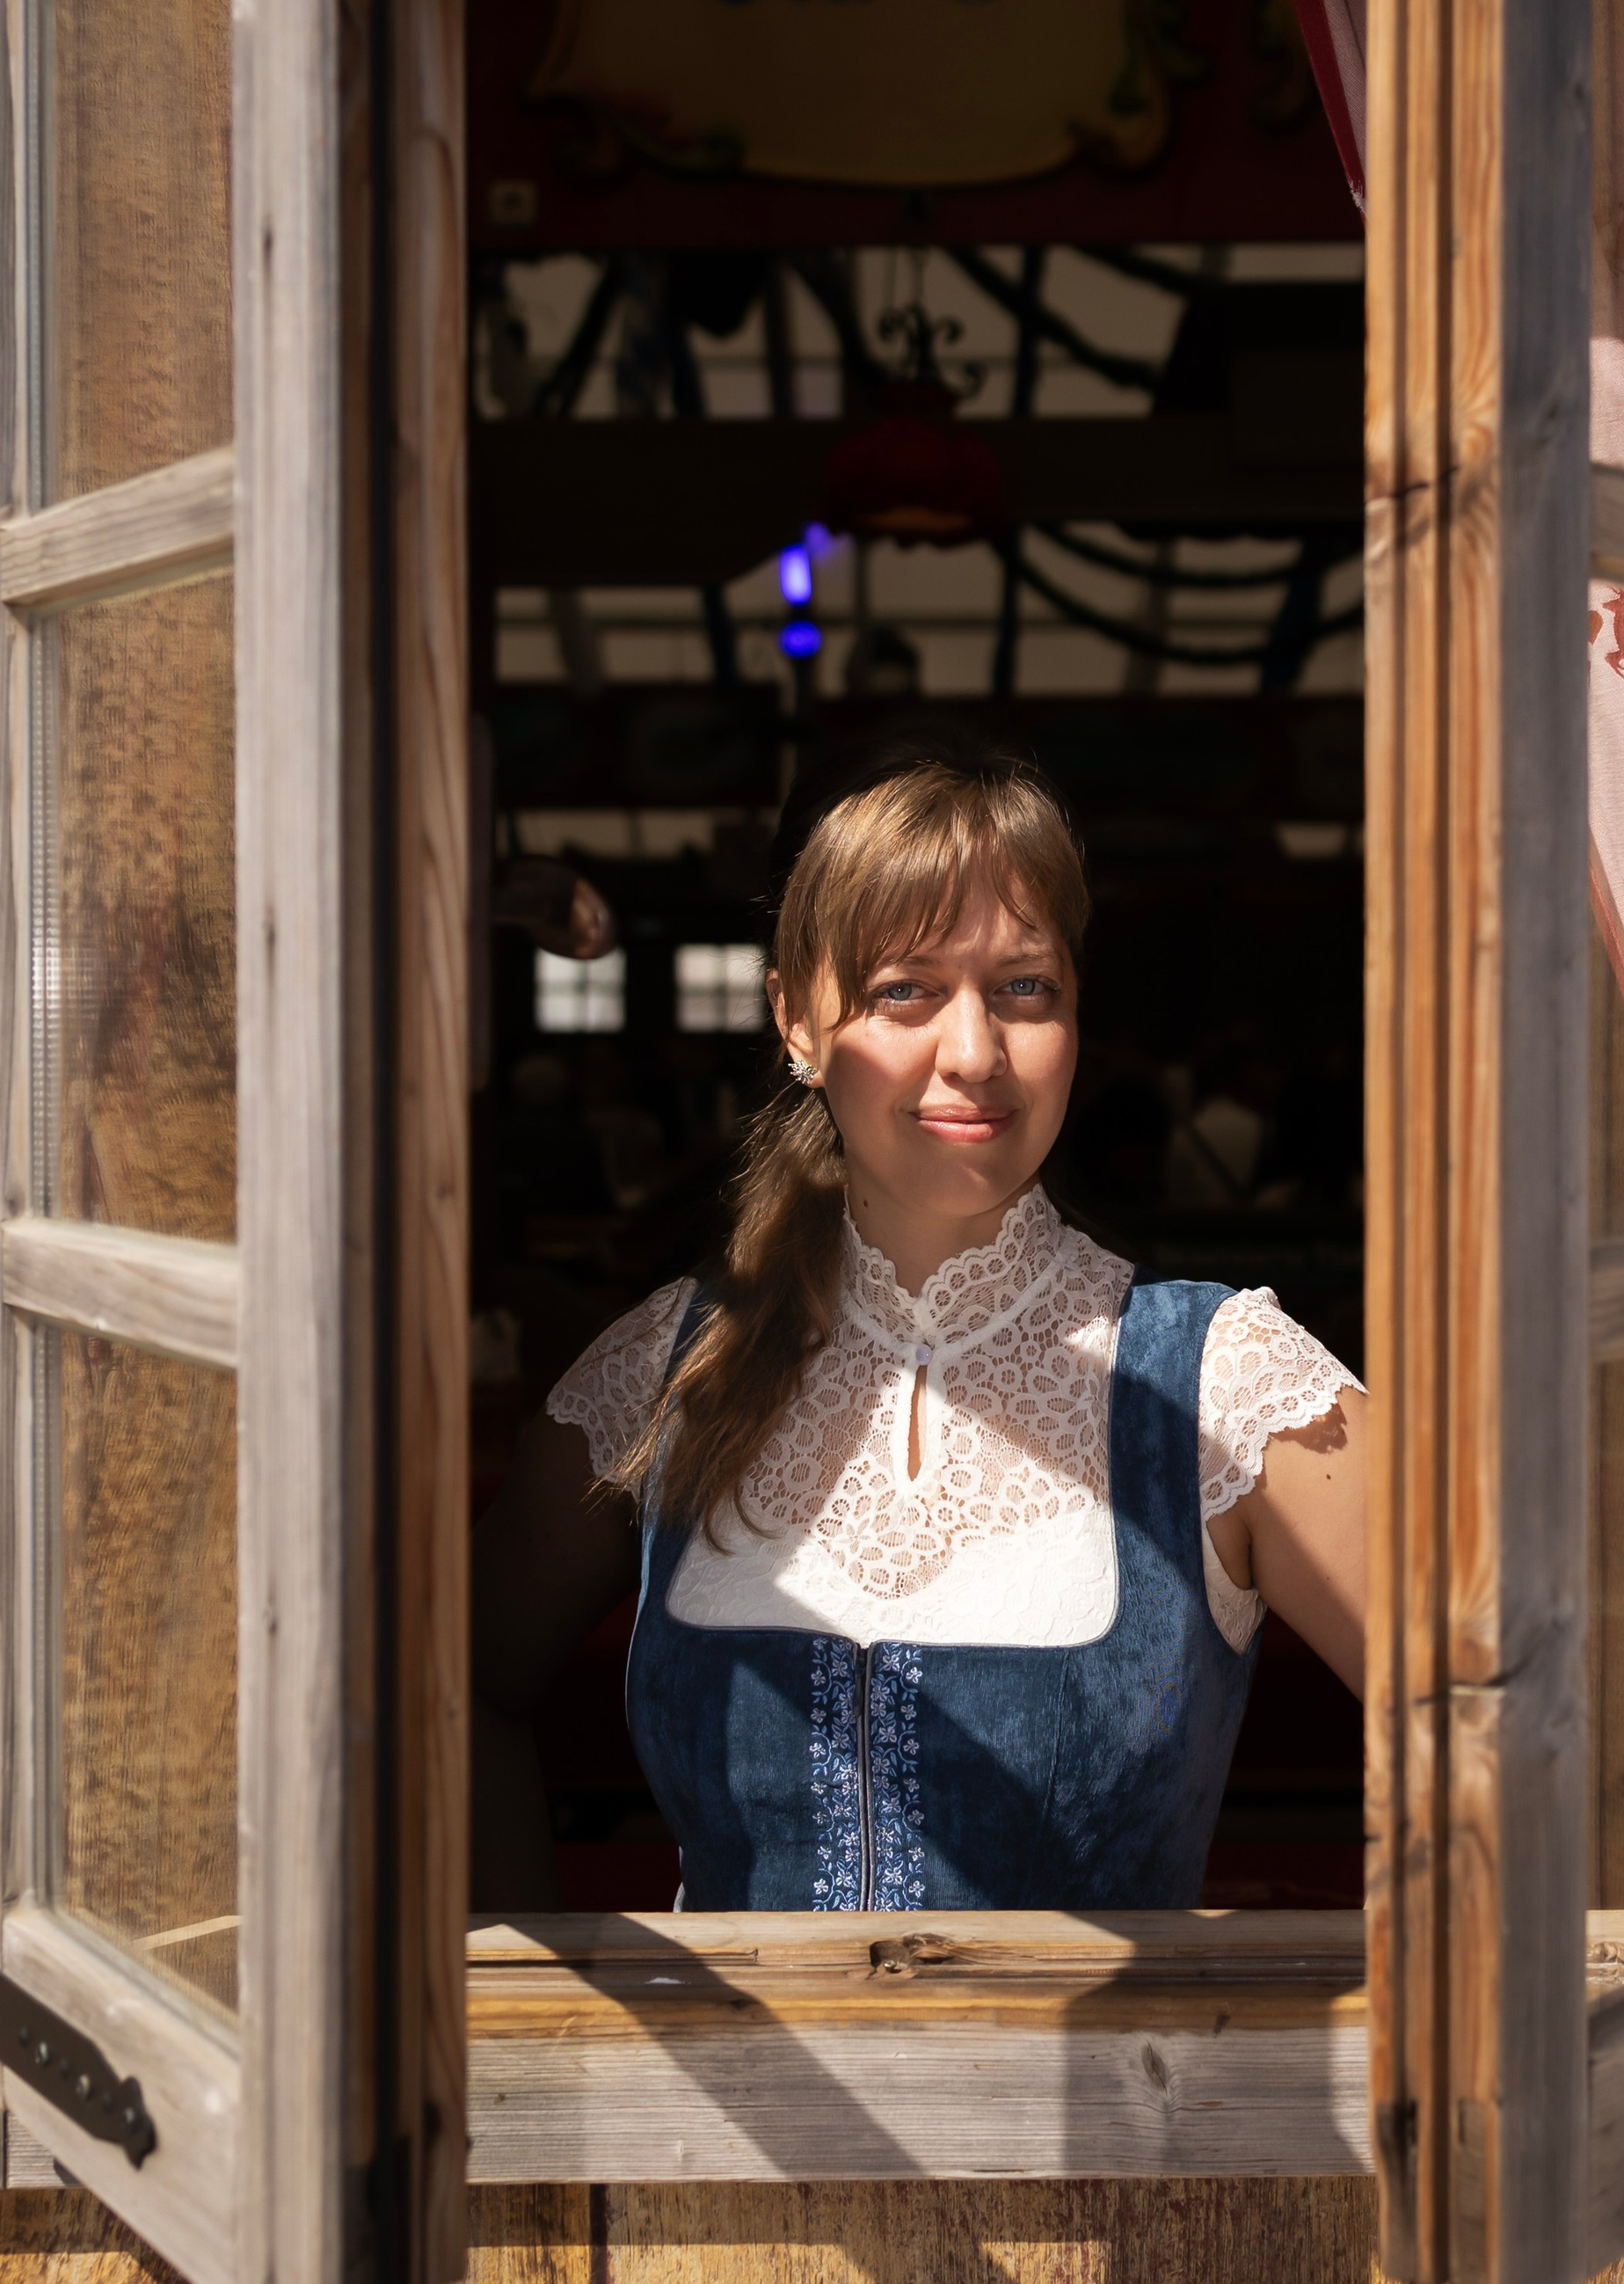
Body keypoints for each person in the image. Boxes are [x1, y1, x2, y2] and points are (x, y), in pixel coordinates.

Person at [470, 755, 1367, 1912]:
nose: (975, 1052)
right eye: (906, 990)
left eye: (1025, 987)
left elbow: (1499, 1709)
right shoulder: (668, 1368)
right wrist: (510, 1989)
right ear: (795, 1020)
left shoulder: (1224, 1380)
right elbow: (454, 1690)